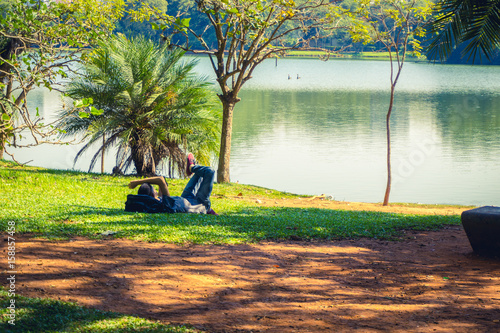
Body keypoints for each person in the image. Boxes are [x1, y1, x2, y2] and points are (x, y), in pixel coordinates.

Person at [128, 153, 218, 215]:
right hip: (199, 204)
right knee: (210, 171)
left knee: (201, 172)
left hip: (185, 197)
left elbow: (161, 183)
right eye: (152, 188)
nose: (154, 189)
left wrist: (158, 186)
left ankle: (193, 167)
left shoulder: (159, 200)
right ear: (152, 194)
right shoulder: (165, 205)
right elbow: (161, 180)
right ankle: (191, 167)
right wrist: (136, 182)